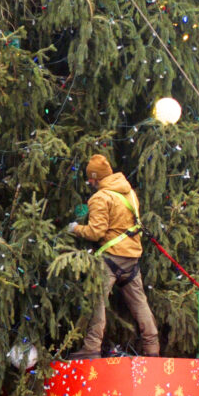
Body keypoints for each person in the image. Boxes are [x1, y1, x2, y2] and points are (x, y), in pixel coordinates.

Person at [67, 154, 159, 360]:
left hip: (110, 258)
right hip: (132, 258)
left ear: (95, 178)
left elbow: (95, 232)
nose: (89, 182)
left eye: (90, 179)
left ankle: (91, 347)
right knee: (140, 303)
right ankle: (152, 348)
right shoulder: (130, 194)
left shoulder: (100, 198)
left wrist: (75, 228)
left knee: (97, 302)